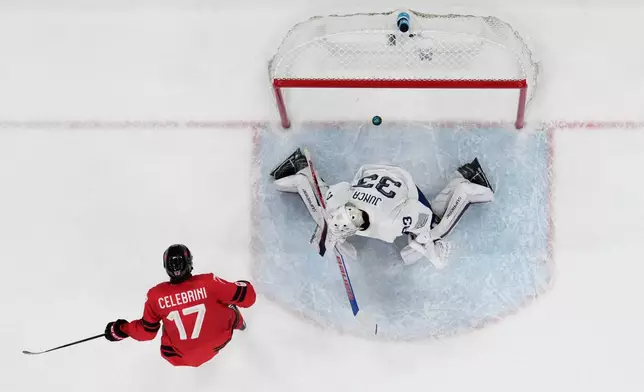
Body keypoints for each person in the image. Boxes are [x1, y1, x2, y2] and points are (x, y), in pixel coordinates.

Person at [270, 148, 494, 269]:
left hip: (403, 186)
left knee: (435, 227)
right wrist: (327, 231)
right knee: (324, 210)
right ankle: (301, 166)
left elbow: (422, 217)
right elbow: (335, 196)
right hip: (371, 175)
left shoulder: (392, 221)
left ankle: (465, 183)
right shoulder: (341, 202)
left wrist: (428, 247)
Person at [104, 244, 256, 367]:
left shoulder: (156, 296)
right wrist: (243, 284)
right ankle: (240, 323)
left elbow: (146, 333)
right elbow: (249, 298)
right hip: (217, 344)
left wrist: (121, 329)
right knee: (227, 308)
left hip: (177, 357)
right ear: (189, 263)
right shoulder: (209, 283)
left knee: (164, 320)